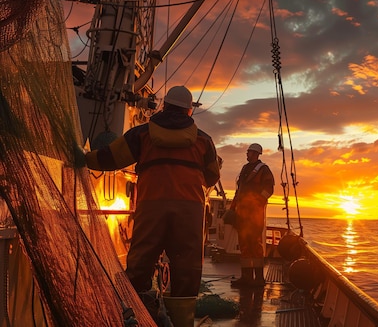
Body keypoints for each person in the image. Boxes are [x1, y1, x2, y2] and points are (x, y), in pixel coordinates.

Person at [85, 86, 221, 327]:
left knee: (140, 263)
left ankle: (138, 316)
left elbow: (108, 158)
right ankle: (181, 322)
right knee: (187, 268)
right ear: (189, 111)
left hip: (152, 206)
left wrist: (84, 157)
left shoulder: (142, 135)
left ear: (165, 106)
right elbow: (211, 176)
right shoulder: (204, 140)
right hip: (189, 212)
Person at [230, 143, 274, 287]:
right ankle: (246, 278)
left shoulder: (263, 170)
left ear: (256, 154)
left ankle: (259, 279)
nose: (247, 154)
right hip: (242, 213)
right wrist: (233, 208)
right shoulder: (245, 169)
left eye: (249, 152)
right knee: (244, 244)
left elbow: (269, 188)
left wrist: (258, 202)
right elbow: (240, 190)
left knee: (255, 244)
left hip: (254, 214)